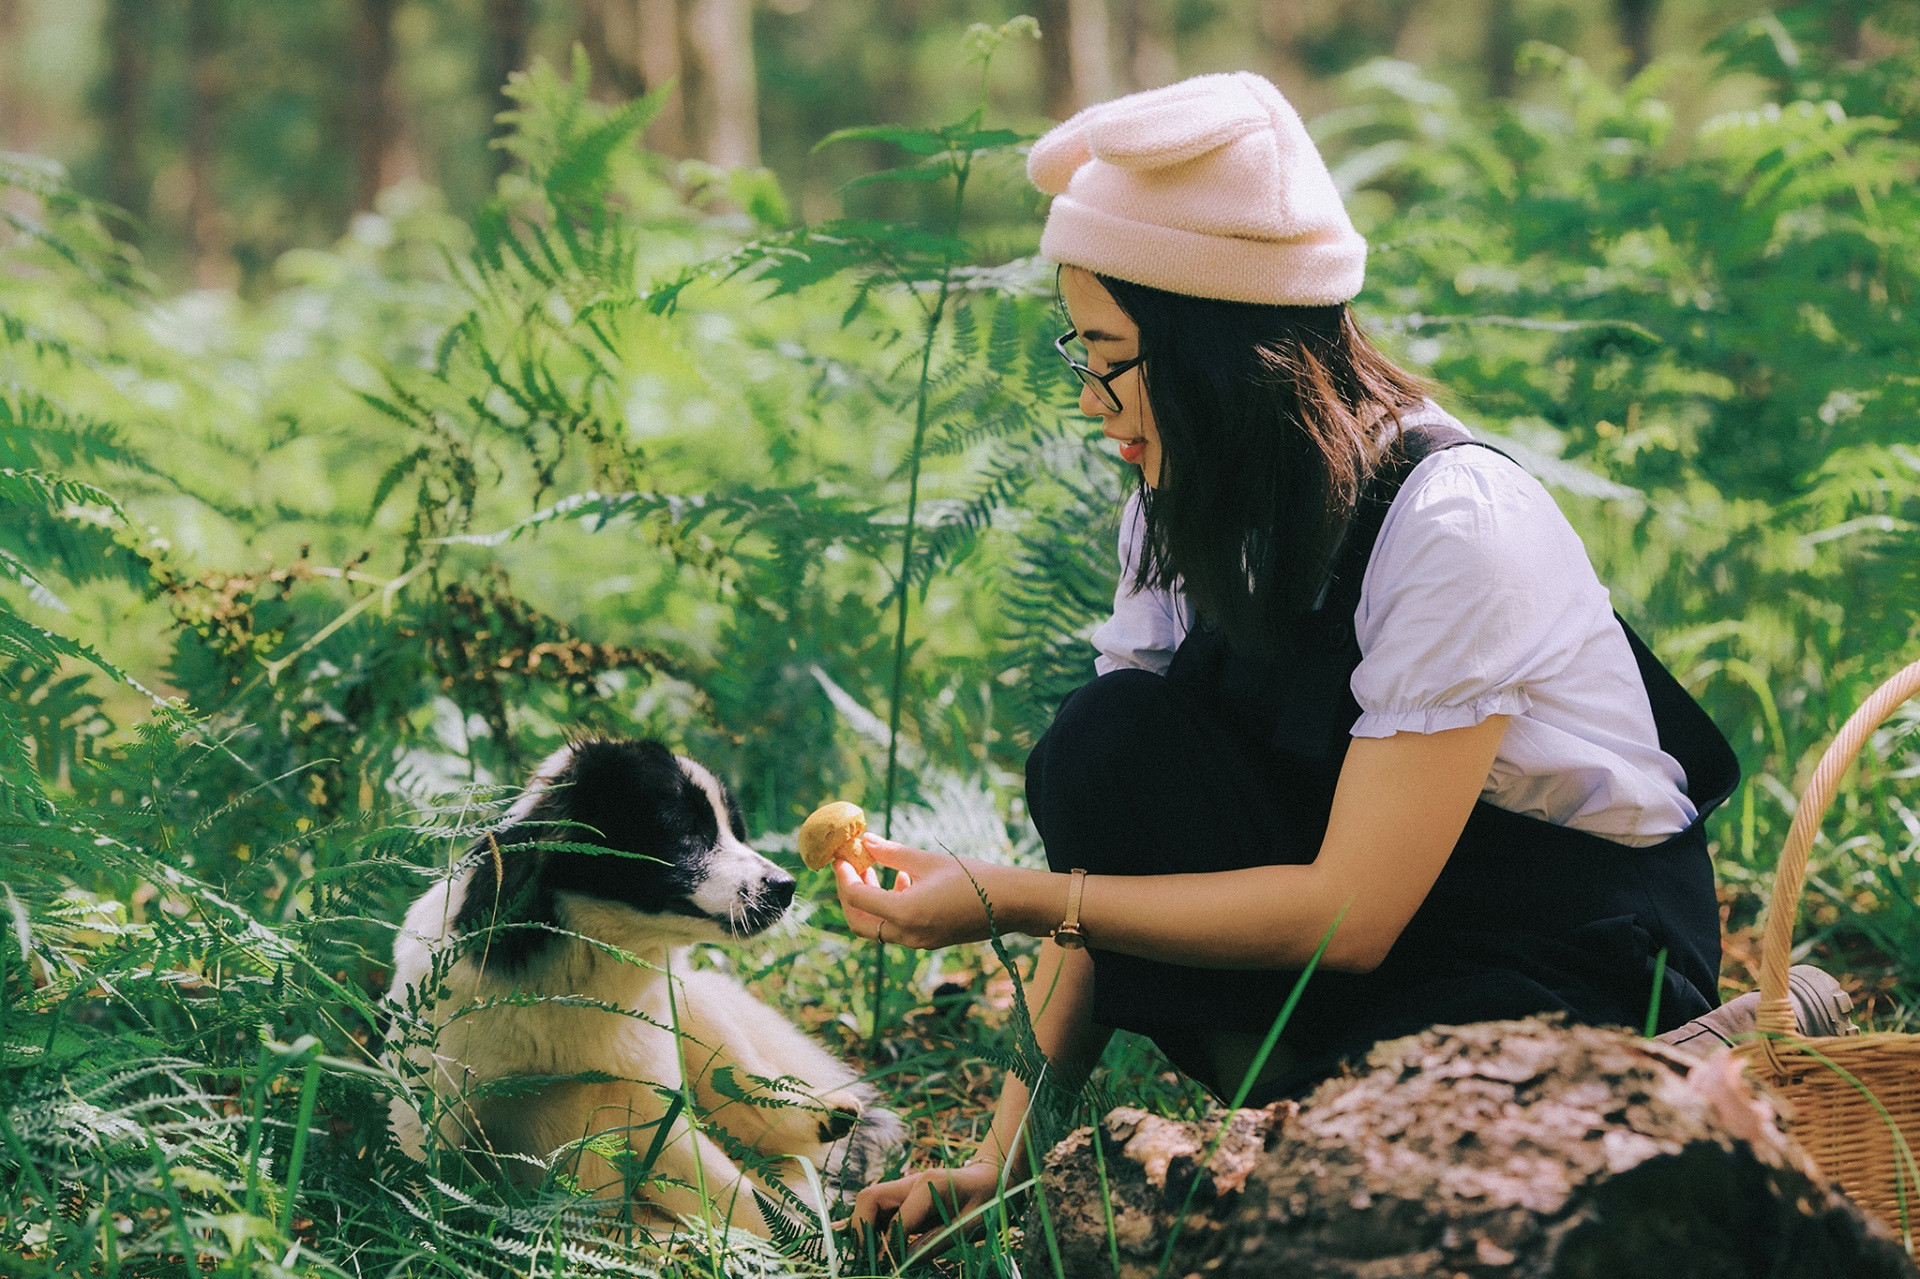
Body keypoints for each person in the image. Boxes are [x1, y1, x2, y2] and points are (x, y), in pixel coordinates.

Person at [832, 71, 1849, 1243]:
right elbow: (1109, 852)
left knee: (1424, 1160)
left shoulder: (1452, 522)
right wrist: (994, 1159)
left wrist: (1008, 898)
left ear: (1216, 353)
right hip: (1372, 958)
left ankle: (1658, 1067)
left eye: (1111, 359)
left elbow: (1350, 912)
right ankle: (1337, 1133)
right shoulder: (1178, 511)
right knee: (1105, 747)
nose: (1092, 400)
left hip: (1550, 944)